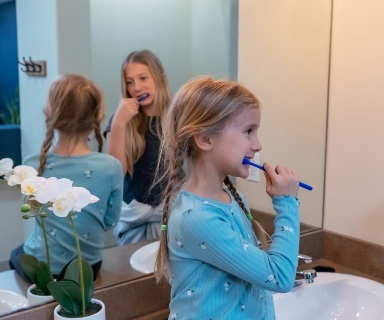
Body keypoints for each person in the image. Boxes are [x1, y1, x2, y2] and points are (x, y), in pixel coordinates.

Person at [155, 76, 301, 319]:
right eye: (248, 131)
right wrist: (287, 204)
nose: (257, 145)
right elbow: (280, 277)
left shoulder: (234, 198)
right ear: (205, 139)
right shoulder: (196, 217)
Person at [9, 74, 123, 281]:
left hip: (43, 268)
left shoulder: (32, 165)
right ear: (98, 117)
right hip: (88, 268)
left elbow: (35, 213)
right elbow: (109, 223)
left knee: (15, 255)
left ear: (50, 114)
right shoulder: (111, 167)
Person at [104, 50, 171, 245]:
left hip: (171, 216)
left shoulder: (176, 118)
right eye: (130, 82)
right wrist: (118, 124)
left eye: (143, 78)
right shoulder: (120, 123)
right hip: (133, 220)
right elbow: (115, 173)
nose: (137, 88)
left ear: (161, 79)